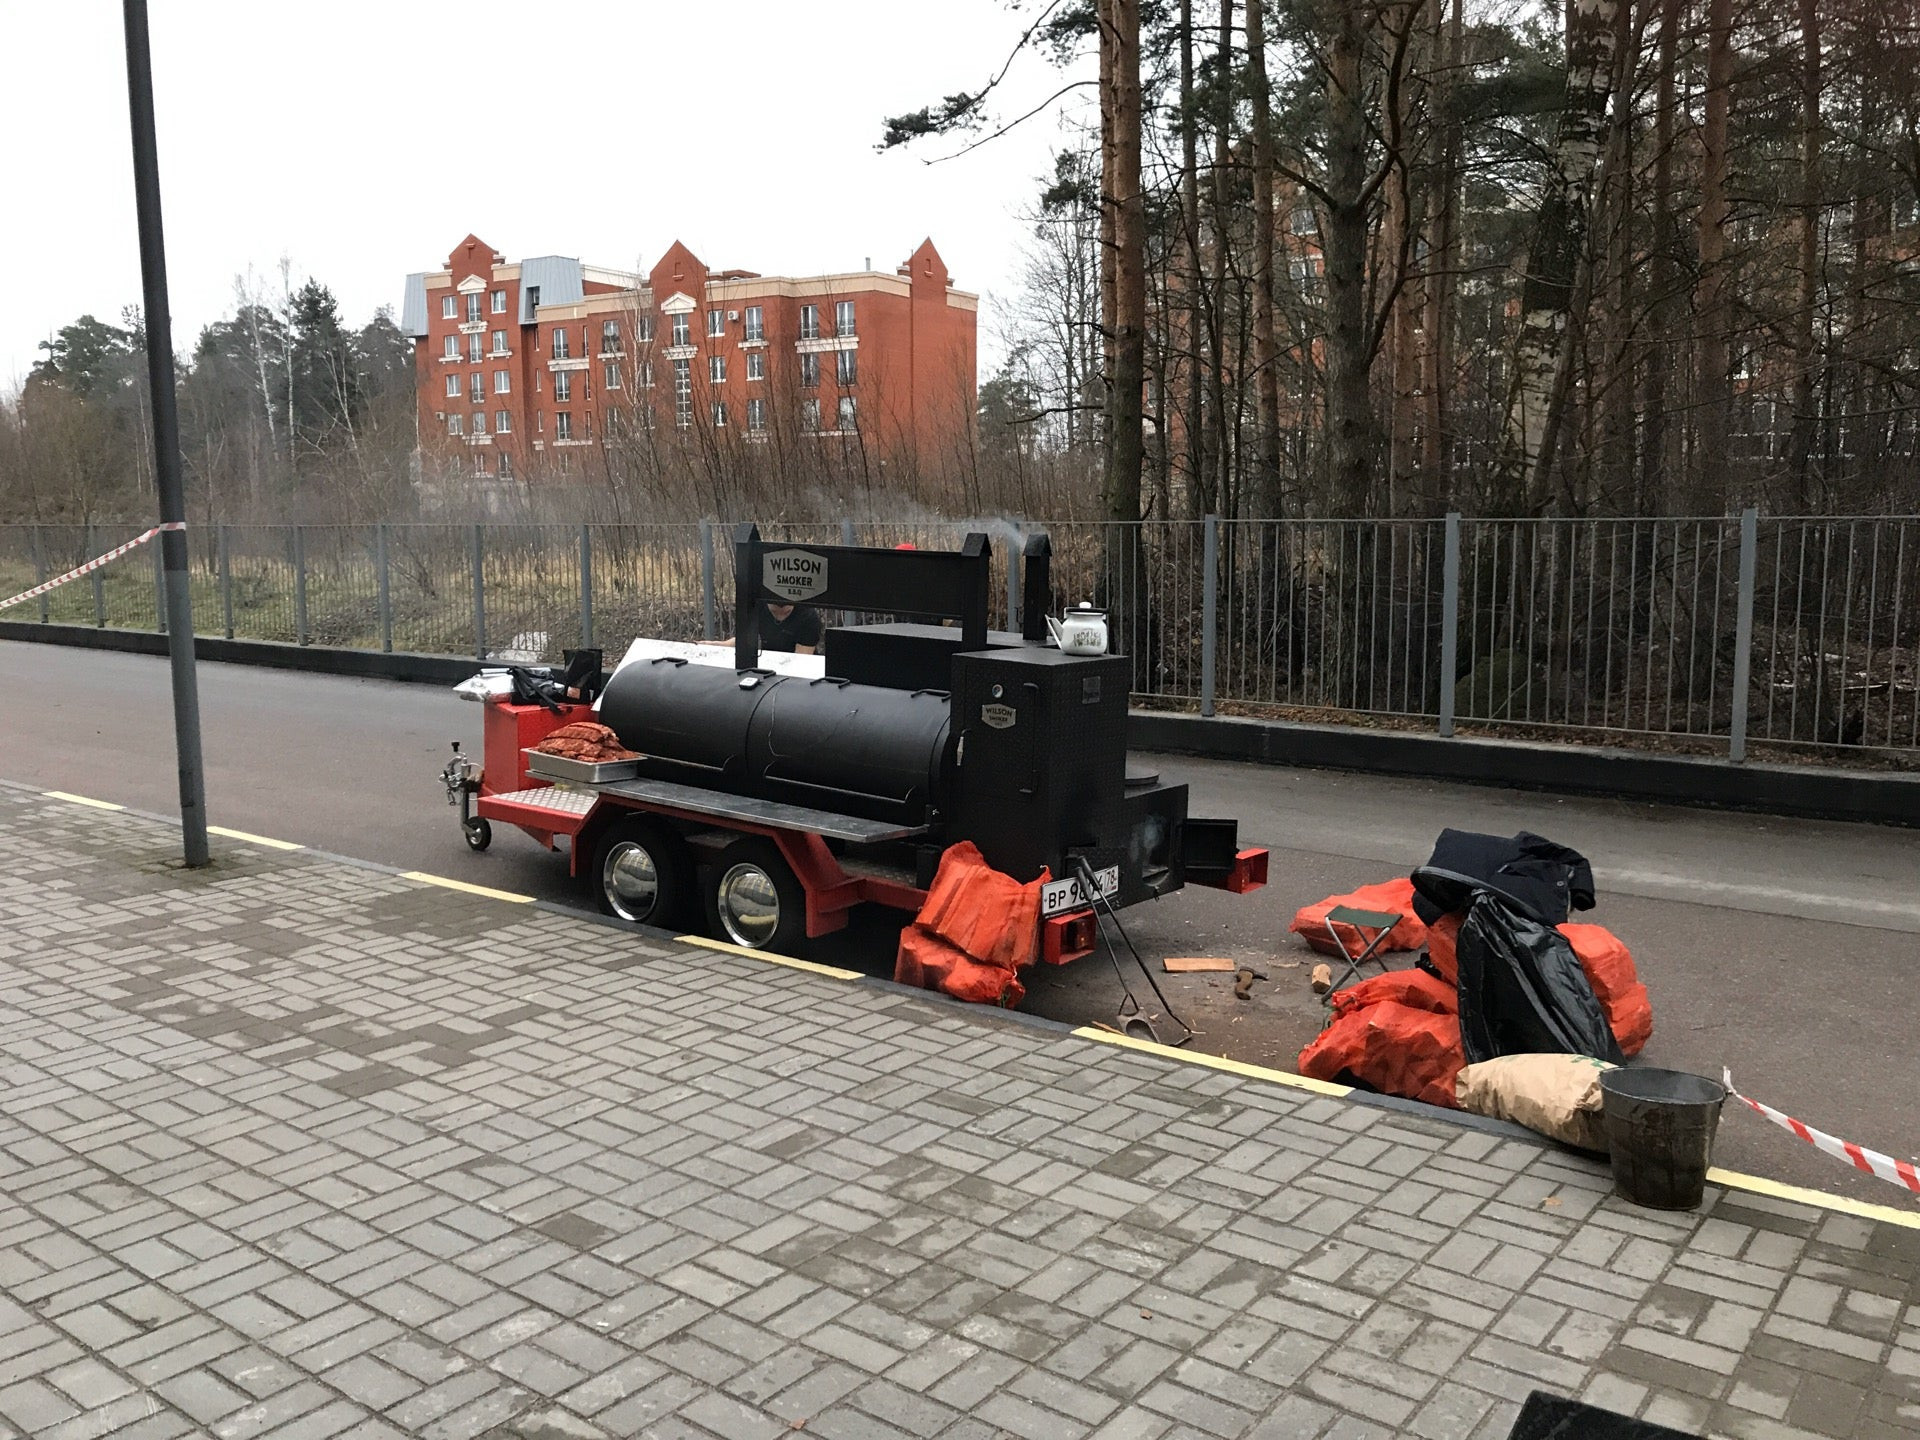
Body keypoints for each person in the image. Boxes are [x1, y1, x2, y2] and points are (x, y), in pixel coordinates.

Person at [759, 601, 823, 654]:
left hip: (795, 664)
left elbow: (802, 660)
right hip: (763, 661)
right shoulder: (755, 607)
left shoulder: (808, 616)